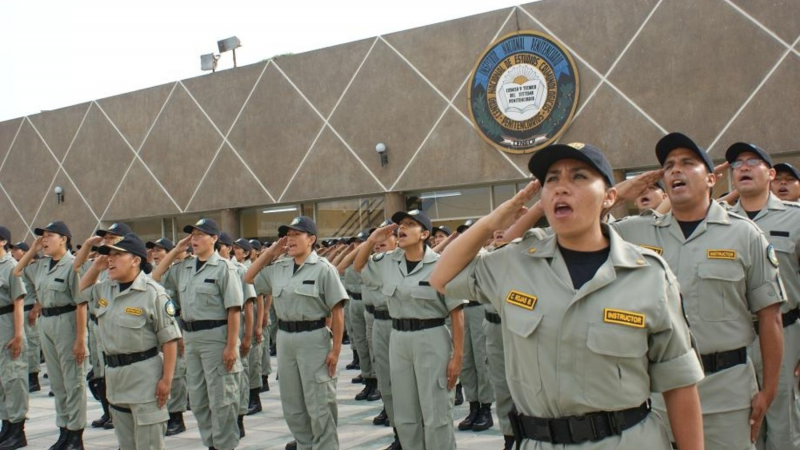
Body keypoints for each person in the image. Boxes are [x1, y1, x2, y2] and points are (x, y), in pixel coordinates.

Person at [431, 142, 705, 450]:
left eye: (578, 177)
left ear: (610, 197)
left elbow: (679, 385)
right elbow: (442, 278)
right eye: (552, 180)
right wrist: (494, 221)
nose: (562, 187)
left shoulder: (649, 275)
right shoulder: (514, 263)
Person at [355, 210, 465, 450]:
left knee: (436, 411)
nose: (402, 228)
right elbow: (358, 264)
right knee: (405, 412)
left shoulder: (440, 263)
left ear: (425, 233)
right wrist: (372, 239)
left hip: (432, 336)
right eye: (401, 225)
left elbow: (457, 312)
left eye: (410, 224)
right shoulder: (389, 262)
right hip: (399, 339)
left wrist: (457, 356)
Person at [723, 142, 800, 450]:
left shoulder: (795, 218)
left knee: (784, 426)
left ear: (769, 174)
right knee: (740, 427)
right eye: (736, 164)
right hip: (734, 338)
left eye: (752, 161)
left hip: (787, 332)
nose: (742, 167)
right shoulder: (719, 221)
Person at [245, 216, 346, 450]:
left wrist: (336, 350)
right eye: (287, 236)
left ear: (311, 239)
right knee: (292, 402)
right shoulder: (279, 267)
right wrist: (270, 253)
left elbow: (338, 311)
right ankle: (304, 444)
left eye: (296, 235)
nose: (290, 240)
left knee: (320, 402)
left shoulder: (324, 269)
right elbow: (249, 277)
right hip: (286, 339)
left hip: (314, 337)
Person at [79, 233, 181, 450]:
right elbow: (82, 290)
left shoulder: (153, 293)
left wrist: (167, 380)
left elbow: (170, 339)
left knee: (148, 444)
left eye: (117, 255)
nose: (110, 260)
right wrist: (97, 267)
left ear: (135, 260)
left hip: (145, 378)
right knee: (126, 444)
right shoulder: (107, 287)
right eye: (109, 255)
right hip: (116, 378)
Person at [152, 219, 243, 450]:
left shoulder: (224, 268)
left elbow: (234, 309)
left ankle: (225, 445)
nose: (195, 239)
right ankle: (211, 443)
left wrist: (232, 346)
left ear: (214, 239)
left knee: (222, 398)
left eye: (201, 234)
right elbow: (154, 278)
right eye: (192, 235)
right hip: (191, 338)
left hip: (216, 336)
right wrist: (175, 251)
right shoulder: (184, 267)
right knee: (199, 399)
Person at [14, 221, 88, 450]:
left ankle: (76, 434)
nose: (44, 240)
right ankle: (64, 429)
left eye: (49, 236)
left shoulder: (72, 265)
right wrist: (34, 248)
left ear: (63, 238)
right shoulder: (42, 265)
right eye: (41, 236)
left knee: (73, 381)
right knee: (57, 382)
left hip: (67, 322)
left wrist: (80, 340)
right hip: (46, 323)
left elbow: (81, 304)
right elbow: (17, 270)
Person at [74, 222, 134, 431]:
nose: (107, 241)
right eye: (106, 238)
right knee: (100, 372)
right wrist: (91, 244)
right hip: (96, 323)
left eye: (112, 238)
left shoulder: (128, 266)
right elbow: (77, 272)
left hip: (116, 325)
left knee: (115, 371)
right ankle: (109, 412)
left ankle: (119, 415)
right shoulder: (99, 263)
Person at [448, 219, 495, 433]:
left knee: (481, 359)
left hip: (479, 310)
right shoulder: (457, 258)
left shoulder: (486, 257)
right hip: (461, 310)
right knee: (466, 360)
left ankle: (485, 407)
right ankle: (473, 404)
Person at [146, 238, 188, 437]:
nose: (155, 253)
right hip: (156, 327)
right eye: (154, 250)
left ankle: (177, 416)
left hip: (176, 323)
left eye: (161, 250)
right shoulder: (154, 274)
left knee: (177, 372)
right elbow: (154, 276)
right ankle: (165, 411)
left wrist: (180, 334)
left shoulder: (178, 271)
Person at [216, 232, 256, 438]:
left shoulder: (239, 270)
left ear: (228, 248)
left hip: (237, 328)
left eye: (220, 246)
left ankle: (240, 416)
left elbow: (248, 305)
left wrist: (248, 335)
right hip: (216, 332)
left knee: (239, 375)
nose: (217, 250)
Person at [340, 231, 379, 401]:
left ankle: (377, 382)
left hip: (371, 305)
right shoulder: (357, 259)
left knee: (373, 347)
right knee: (361, 342)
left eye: (360, 242)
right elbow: (340, 266)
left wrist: (367, 245)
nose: (357, 246)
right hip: (355, 302)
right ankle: (368, 377)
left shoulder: (377, 260)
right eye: (355, 243)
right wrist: (356, 248)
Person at [0, 226, 29, 450]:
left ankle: (17, 430)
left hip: (9, 323)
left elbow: (18, 301)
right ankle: (6, 425)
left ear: (2, 242)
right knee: (2, 381)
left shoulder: (11, 266)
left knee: (13, 377)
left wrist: (19, 335)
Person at [9, 242, 41, 394]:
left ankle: (33, 378)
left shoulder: (32, 267)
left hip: (29, 309)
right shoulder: (18, 268)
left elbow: (40, 288)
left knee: (32, 345)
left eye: (16, 249)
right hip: (20, 310)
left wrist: (36, 309)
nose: (14, 252)